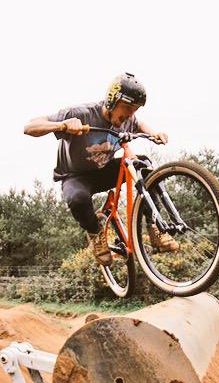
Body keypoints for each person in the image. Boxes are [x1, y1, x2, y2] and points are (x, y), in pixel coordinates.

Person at [23, 73, 175, 266]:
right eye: (127, 108)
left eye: (135, 110)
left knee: (143, 165)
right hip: (76, 176)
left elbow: (138, 124)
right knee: (77, 199)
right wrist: (62, 125)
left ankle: (155, 227)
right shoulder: (82, 114)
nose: (130, 115)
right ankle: (95, 233)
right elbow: (29, 127)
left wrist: (154, 133)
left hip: (104, 172)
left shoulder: (127, 119)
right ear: (112, 100)